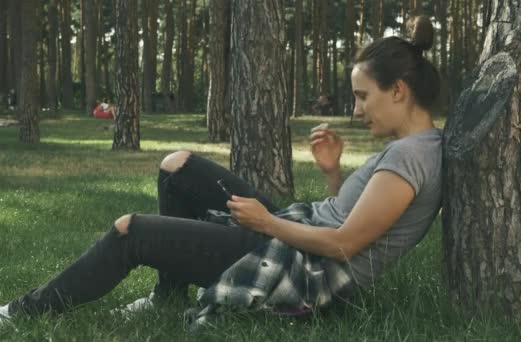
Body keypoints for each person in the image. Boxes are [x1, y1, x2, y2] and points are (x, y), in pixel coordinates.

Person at [0, 16, 442, 328]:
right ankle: (166, 298)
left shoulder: (410, 159)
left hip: (300, 269)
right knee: (177, 167)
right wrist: (331, 176)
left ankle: (22, 312)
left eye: (363, 96)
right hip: (298, 233)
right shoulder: (413, 150)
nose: (356, 108)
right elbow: (351, 221)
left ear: (398, 91)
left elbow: (345, 246)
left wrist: (267, 222)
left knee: (130, 230)